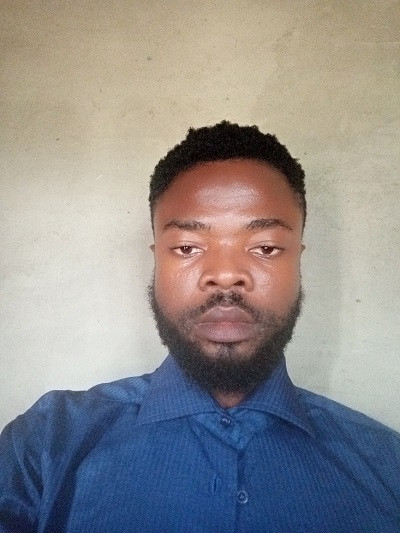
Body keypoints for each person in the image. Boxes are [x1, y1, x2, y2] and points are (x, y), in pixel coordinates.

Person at [0, 121, 399, 533]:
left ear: (298, 257)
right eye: (187, 247)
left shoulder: (387, 466)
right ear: (157, 259)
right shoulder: (44, 446)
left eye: (265, 247)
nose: (225, 275)